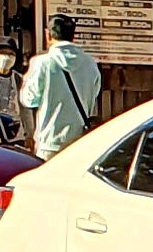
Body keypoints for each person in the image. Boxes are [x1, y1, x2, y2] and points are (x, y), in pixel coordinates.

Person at [22, 14, 104, 157]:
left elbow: (29, 99)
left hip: (49, 140)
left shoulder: (42, 63)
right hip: (80, 141)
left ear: (48, 35)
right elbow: (93, 99)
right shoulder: (91, 64)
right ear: (73, 35)